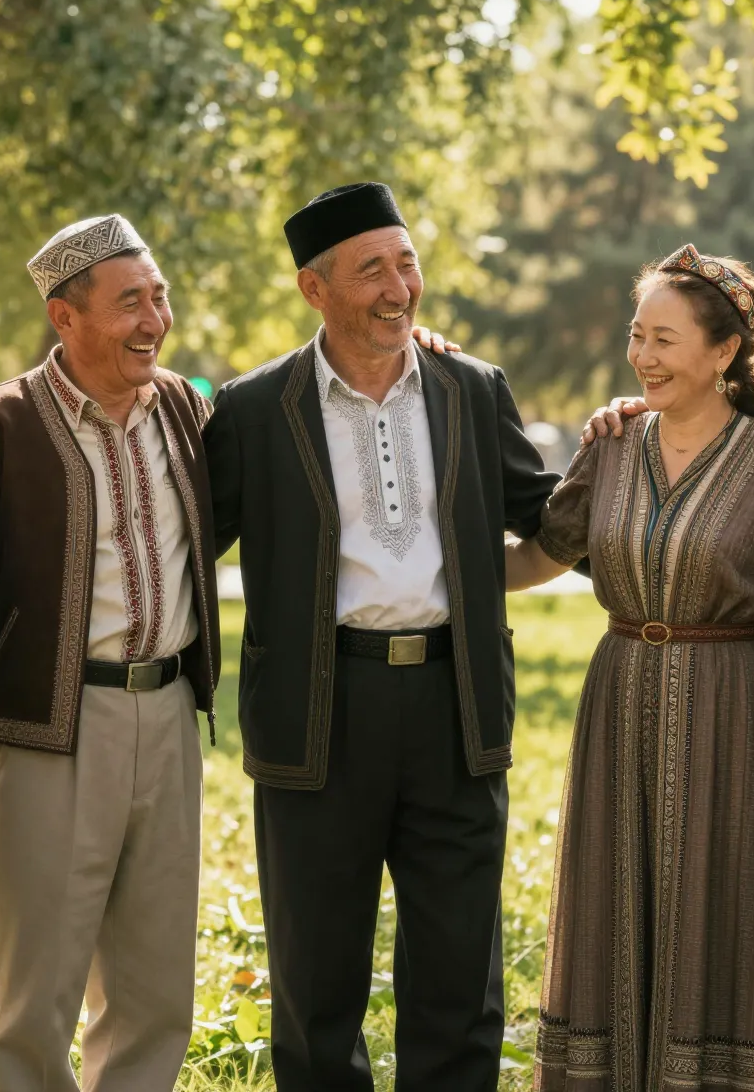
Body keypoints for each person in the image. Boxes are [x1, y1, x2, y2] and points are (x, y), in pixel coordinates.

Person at [204, 182, 559, 1091]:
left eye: (407, 262)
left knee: (460, 979)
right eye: (372, 269)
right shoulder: (253, 408)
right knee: (316, 985)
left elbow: (552, 517)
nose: (399, 285)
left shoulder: (472, 389)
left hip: (455, 706)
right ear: (312, 289)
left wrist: (641, 444)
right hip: (319, 715)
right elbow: (186, 544)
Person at [508, 244, 754, 1091]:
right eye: (638, 336)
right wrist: (434, 572)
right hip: (621, 690)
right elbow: (543, 555)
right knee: (615, 898)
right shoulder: (611, 444)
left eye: (665, 341)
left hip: (733, 706)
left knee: (725, 894)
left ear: (723, 355)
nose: (643, 356)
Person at [0, 214, 219, 1092]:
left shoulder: (186, 405)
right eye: (130, 303)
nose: (154, 320)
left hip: (171, 714)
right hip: (51, 730)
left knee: (155, 987)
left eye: (160, 297)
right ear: (65, 319)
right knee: (34, 994)